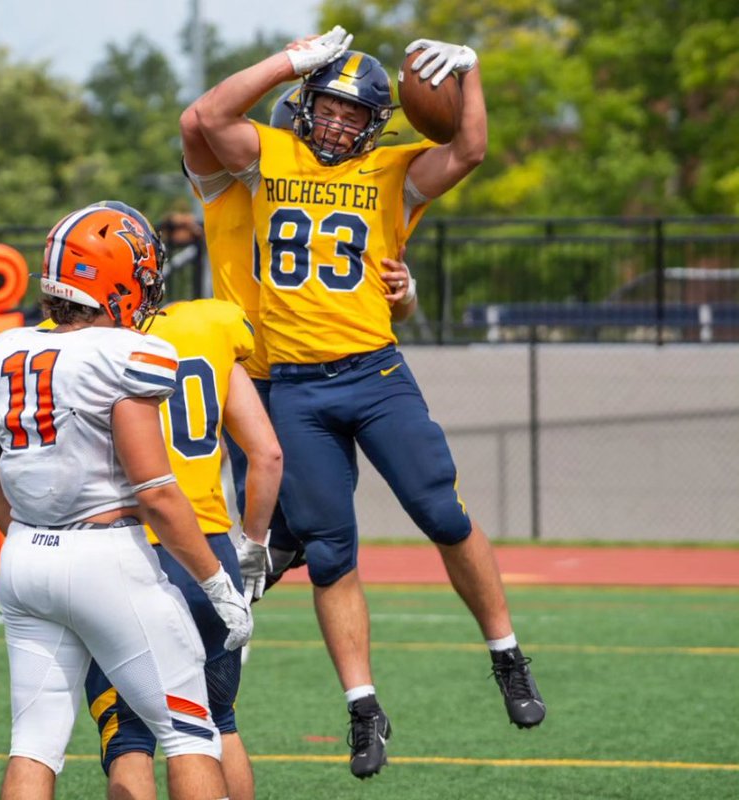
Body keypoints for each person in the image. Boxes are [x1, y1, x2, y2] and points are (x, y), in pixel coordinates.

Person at [195, 26, 544, 778]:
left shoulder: (394, 171)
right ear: (305, 104)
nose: (340, 124)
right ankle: (363, 706)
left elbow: (472, 151)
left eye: (357, 116)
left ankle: (506, 654)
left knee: (441, 513)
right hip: (292, 386)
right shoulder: (268, 157)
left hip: (375, 373)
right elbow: (210, 115)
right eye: (330, 107)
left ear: (377, 126)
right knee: (332, 555)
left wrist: (472, 74)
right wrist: (291, 60)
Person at [0, 203, 253, 800]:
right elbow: (155, 492)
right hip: (104, 557)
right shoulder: (127, 353)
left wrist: (35, 536)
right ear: (115, 280)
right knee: (190, 733)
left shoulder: (0, 352)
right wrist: (217, 583)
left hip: (22, 557)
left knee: (35, 743)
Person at [182, 74, 420, 595]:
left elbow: (382, 291)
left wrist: (407, 295)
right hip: (253, 367)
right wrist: (289, 62)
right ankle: (231, 596)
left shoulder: (337, 192)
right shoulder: (228, 181)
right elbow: (199, 119)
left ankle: (247, 585)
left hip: (304, 363)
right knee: (260, 521)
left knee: (318, 517)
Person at [81, 282, 283, 798]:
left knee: (129, 735)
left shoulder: (74, 342)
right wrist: (255, 542)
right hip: (208, 550)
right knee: (218, 721)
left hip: (123, 546)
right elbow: (267, 456)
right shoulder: (210, 327)